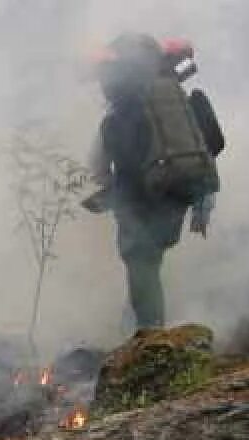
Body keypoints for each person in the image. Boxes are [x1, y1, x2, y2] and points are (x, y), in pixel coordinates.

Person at [86, 33, 217, 330]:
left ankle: (151, 336)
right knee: (150, 260)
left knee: (140, 260)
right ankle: (136, 316)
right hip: (184, 190)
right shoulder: (177, 100)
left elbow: (98, 165)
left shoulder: (120, 114)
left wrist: (111, 191)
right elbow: (214, 143)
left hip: (142, 196)